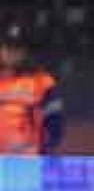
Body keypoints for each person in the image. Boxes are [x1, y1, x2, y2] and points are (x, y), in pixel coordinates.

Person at [0, 23, 63, 157]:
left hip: (27, 160)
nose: (12, 52)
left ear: (25, 51)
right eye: (8, 47)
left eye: (17, 48)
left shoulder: (42, 81)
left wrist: (46, 148)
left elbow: (55, 122)